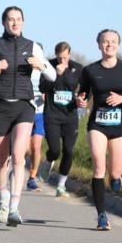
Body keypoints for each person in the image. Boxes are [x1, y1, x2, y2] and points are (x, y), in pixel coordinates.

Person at [0, 6, 55, 226]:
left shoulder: (33, 46)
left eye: (18, 19)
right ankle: (3, 198)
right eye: (10, 19)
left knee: (18, 156)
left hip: (24, 106)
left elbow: (52, 74)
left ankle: (15, 208)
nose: (15, 23)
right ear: (3, 23)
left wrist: (42, 66)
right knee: (1, 160)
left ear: (24, 22)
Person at [75, 29, 122, 232]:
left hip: (120, 127)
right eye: (105, 42)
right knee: (98, 167)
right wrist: (80, 99)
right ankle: (101, 215)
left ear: (119, 45)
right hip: (97, 124)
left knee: (114, 174)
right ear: (98, 45)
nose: (109, 45)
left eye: (113, 42)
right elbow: (83, 93)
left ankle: (116, 178)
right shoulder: (89, 70)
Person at [40, 41, 83, 197]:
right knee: (55, 150)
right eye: (59, 58)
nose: (61, 61)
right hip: (52, 114)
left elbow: (85, 89)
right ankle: (47, 161)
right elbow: (42, 88)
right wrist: (55, 75)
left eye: (64, 58)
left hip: (70, 115)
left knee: (69, 151)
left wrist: (83, 98)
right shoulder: (48, 65)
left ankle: (61, 185)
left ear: (69, 55)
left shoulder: (78, 68)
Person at [25, 44, 48, 191]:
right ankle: (19, 167)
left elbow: (50, 87)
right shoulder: (24, 69)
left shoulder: (45, 71)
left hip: (39, 112)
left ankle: (32, 177)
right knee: (25, 149)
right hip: (25, 112)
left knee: (36, 146)